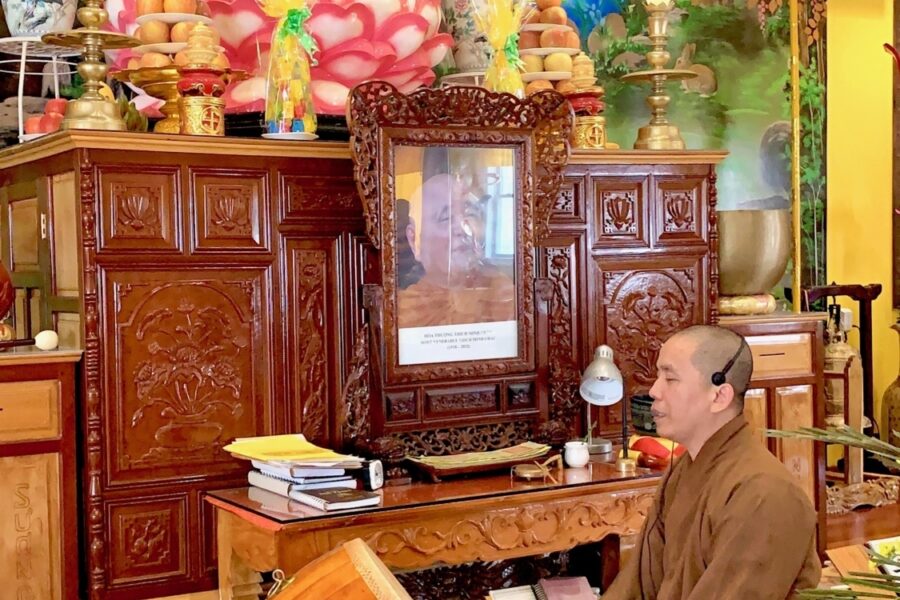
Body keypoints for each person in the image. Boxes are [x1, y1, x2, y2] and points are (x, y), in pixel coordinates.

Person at [603, 325, 821, 600]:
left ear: (719, 396)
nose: (655, 390)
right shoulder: (681, 471)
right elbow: (638, 585)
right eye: (658, 376)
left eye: (670, 379)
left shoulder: (765, 493)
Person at [397, 173, 515, 329]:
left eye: (470, 214)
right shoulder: (402, 311)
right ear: (414, 240)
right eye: (445, 218)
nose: (463, 228)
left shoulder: (503, 295)